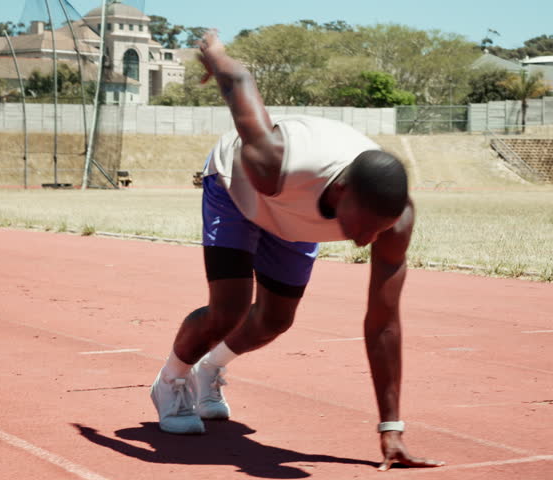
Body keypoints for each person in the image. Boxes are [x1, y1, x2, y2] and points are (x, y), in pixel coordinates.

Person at [150, 30, 444, 472]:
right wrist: (215, 54)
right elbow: (238, 86)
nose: (365, 240)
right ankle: (171, 380)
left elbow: (383, 322)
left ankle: (210, 370)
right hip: (238, 191)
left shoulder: (392, 220)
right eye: (361, 225)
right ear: (342, 190)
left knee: (274, 321)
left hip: (292, 216)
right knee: (229, 308)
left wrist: (391, 428)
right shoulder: (274, 160)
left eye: (378, 230)